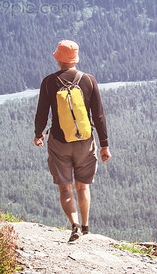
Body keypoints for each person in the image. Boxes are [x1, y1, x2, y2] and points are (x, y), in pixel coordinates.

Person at [34, 39, 111, 242]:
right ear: (75, 59)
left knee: (65, 188)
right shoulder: (89, 80)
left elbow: (42, 112)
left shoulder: (49, 82)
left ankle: (74, 224)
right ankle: (85, 228)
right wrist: (104, 144)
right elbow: (99, 115)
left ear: (59, 59)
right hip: (85, 141)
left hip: (59, 141)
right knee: (83, 186)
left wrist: (38, 133)